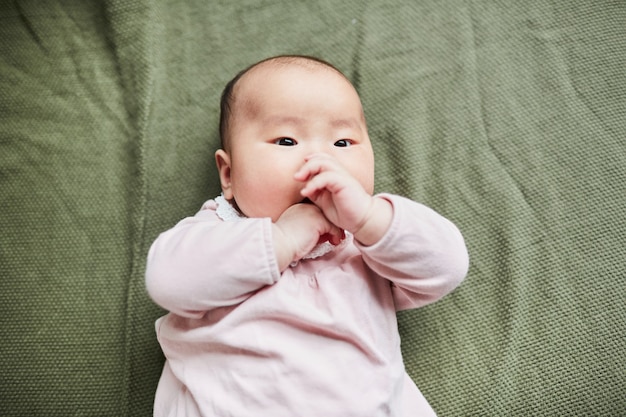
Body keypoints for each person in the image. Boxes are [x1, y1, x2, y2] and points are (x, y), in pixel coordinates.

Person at [146, 55, 469, 417]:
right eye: (286, 140)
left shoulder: (366, 246)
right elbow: (166, 281)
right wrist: (282, 240)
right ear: (229, 174)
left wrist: (368, 216)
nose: (319, 158)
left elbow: (447, 265)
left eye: (343, 143)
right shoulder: (219, 232)